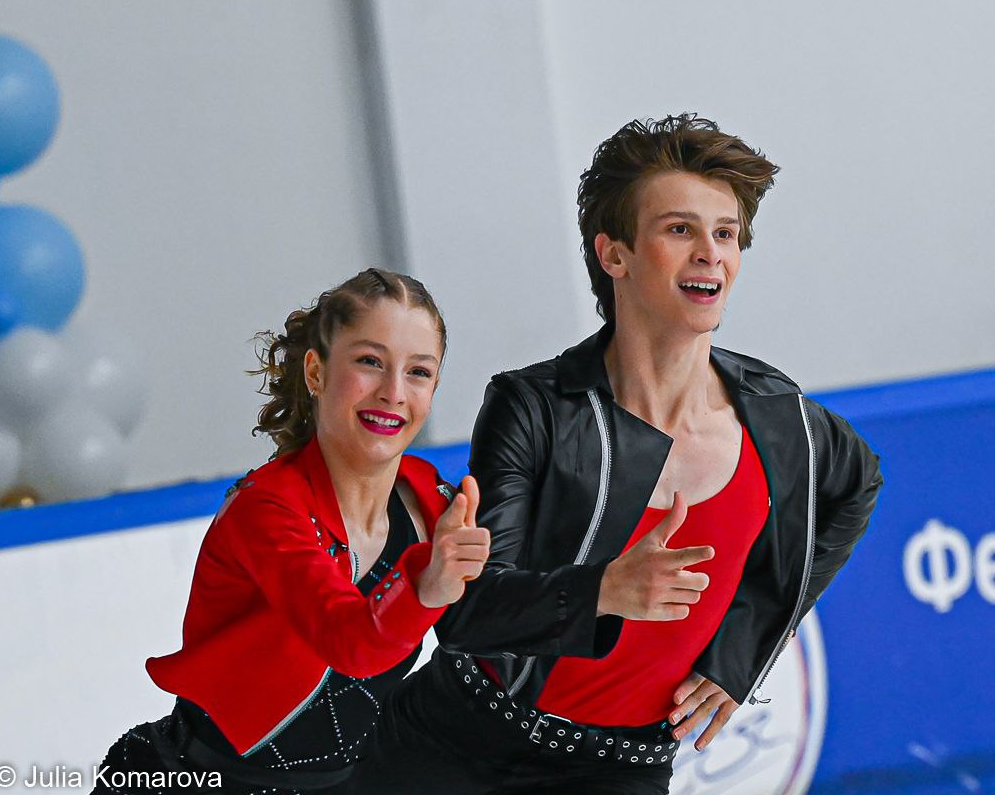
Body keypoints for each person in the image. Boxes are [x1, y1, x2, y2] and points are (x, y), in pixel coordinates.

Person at [352, 115, 883, 795]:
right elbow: (467, 612)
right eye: (680, 229)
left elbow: (857, 485)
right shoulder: (536, 407)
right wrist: (602, 590)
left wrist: (742, 649)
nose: (710, 254)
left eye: (725, 234)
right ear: (614, 255)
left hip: (616, 770)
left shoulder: (782, 420)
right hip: (449, 742)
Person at [92, 268, 490, 794]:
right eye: (369, 362)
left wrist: (591, 588)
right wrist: (427, 588)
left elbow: (499, 635)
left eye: (418, 371)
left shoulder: (435, 502)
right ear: (316, 372)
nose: (394, 392)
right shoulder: (268, 509)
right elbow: (348, 641)